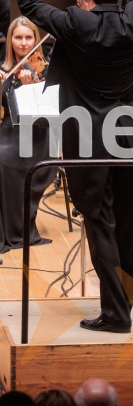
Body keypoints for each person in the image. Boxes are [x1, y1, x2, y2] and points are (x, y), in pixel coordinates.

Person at [11, 0, 133, 333]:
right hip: (128, 137)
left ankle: (116, 314)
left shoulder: (77, 23)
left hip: (89, 141)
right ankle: (125, 304)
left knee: (100, 220)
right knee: (129, 224)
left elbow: (28, 4)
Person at [0, 17, 54, 252]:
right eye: (18, 37)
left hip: (36, 138)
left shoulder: (45, 70)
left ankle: (13, 230)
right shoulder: (4, 69)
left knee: (2, 160)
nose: (23, 43)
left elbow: (46, 118)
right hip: (8, 132)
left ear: (36, 40)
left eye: (28, 37)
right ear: (10, 40)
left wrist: (31, 86)